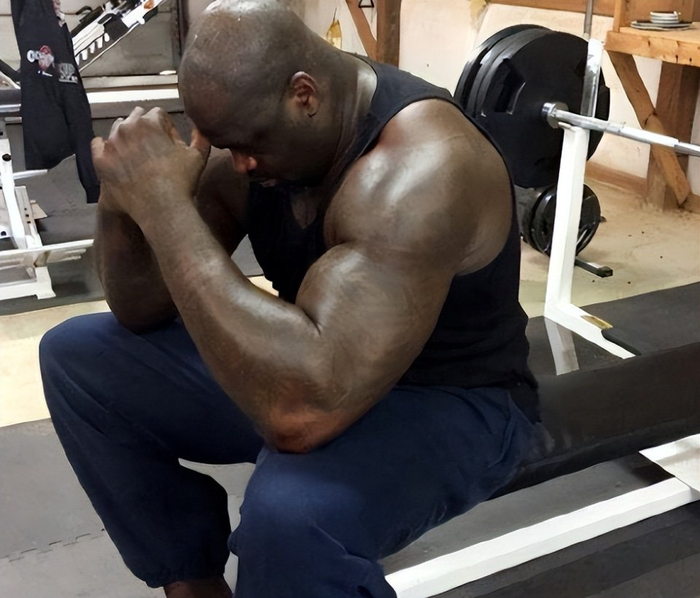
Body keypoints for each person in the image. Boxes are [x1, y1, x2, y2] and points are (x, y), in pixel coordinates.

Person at [39, 1, 539, 596]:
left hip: (454, 399)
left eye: (249, 144)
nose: (239, 164)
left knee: (292, 517)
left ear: (304, 95)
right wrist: (123, 198)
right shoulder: (251, 144)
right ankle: (192, 585)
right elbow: (138, 307)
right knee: (79, 358)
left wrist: (168, 210)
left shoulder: (422, 167)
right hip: (316, 365)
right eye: (223, 144)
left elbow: (301, 417)